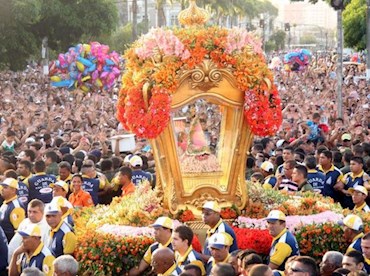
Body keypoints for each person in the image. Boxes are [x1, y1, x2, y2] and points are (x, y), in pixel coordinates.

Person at [8, 199, 49, 263]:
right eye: (29, 211)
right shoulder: (24, 223)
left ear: (42, 213)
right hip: (23, 260)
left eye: (35, 212)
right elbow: (13, 246)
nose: (31, 215)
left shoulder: (47, 226)